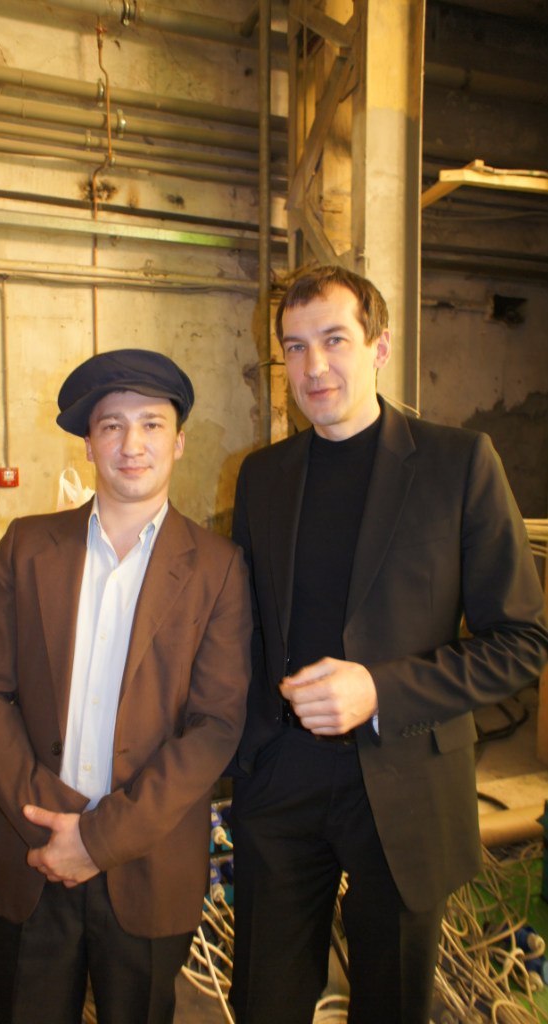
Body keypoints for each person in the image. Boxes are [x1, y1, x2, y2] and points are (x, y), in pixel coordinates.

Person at [228, 265, 548, 1024]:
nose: (313, 365)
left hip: (404, 780)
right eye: (294, 346)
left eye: (334, 339)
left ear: (379, 347)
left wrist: (379, 690)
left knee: (392, 1003)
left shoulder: (457, 463)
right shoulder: (262, 476)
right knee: (265, 1001)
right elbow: (245, 628)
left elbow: (521, 640)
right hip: (281, 780)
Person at [0, 348, 252, 1024]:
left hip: (147, 861)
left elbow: (215, 725)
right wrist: (48, 823)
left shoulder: (216, 568)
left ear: (178, 442)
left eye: (151, 425)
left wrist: (98, 839)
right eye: (112, 425)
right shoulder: (27, 547)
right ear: (88, 443)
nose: (132, 444)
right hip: (33, 853)